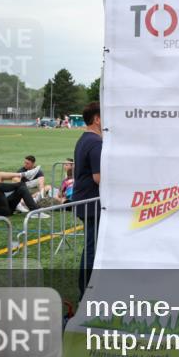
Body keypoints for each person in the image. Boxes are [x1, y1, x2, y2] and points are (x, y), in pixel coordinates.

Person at [73, 102, 102, 294]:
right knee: (93, 248)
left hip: (85, 201)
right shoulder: (95, 142)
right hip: (91, 203)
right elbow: (99, 177)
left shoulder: (85, 139)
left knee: (92, 246)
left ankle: (87, 288)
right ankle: (86, 290)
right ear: (97, 119)